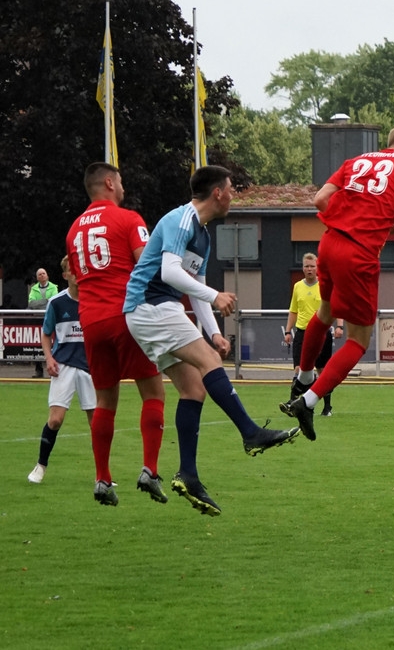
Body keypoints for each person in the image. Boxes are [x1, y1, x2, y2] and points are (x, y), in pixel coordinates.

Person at [124, 165, 300, 516]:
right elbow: (169, 272)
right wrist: (216, 296)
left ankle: (188, 475)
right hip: (150, 306)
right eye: (231, 189)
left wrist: (215, 331)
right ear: (217, 192)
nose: (233, 195)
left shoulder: (203, 235)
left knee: (194, 389)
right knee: (210, 362)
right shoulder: (182, 220)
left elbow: (196, 290)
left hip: (152, 310)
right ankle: (250, 432)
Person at [279, 122, 394, 441]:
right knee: (358, 340)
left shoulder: (356, 160)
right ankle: (308, 401)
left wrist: (348, 217)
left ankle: (303, 378)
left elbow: (320, 199)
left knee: (325, 312)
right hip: (359, 253)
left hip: (329, 242)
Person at [66, 162, 168, 507]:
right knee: (153, 392)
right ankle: (150, 469)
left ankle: (102, 478)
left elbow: (78, 280)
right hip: (125, 315)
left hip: (90, 321)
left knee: (105, 401)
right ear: (109, 183)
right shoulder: (128, 219)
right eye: (120, 181)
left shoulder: (74, 229)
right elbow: (148, 264)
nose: (123, 187)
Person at [27, 257, 96, 484]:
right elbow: (46, 333)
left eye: (80, 269)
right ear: (65, 275)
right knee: (55, 420)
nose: (77, 274)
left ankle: (103, 475)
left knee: (96, 423)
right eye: (71, 271)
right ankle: (40, 466)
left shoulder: (95, 299)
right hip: (63, 366)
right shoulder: (56, 302)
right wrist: (49, 358)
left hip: (90, 367)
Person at [283, 252, 341, 416]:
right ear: (302, 268)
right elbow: (293, 310)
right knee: (298, 368)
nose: (309, 269)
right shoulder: (297, 286)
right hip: (302, 332)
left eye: (312, 266)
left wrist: (339, 326)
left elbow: (336, 306)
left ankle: (327, 407)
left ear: (317, 268)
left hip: (322, 332)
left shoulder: (324, 285)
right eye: (306, 266)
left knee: (323, 370)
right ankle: (292, 402)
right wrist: (288, 330)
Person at [27, 267, 59, 377]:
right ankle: (38, 370)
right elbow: (31, 304)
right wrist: (46, 301)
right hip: (37, 320)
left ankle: (54, 367)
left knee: (52, 344)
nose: (42, 275)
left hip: (51, 319)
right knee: (36, 345)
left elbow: (54, 302)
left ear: (47, 275)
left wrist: (40, 303)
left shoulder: (54, 287)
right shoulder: (34, 288)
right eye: (39, 274)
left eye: (43, 273)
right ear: (37, 278)